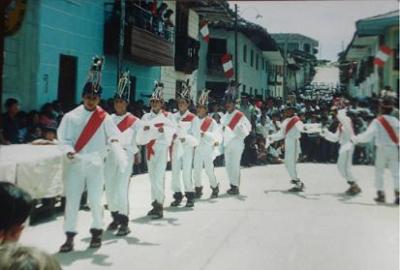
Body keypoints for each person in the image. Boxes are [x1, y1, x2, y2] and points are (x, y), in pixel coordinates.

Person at [57, 57, 125, 252]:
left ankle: (96, 232)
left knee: (95, 199)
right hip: (76, 164)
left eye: (94, 98)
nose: (91, 101)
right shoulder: (71, 116)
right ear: (82, 96)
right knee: (72, 201)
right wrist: (69, 151)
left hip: (96, 165)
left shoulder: (104, 118)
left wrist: (114, 143)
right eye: (88, 97)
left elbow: (115, 136)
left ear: (99, 99)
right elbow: (63, 139)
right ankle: (69, 236)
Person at [104, 71, 141, 236]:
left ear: (126, 103)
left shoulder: (134, 121)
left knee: (121, 188)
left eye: (121, 102)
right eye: (116, 101)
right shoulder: (108, 119)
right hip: (111, 156)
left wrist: (137, 151)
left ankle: (124, 221)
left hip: (125, 156)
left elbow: (141, 137)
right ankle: (115, 216)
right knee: (110, 188)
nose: (119, 104)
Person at [137, 82, 175, 219]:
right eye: (152, 101)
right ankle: (155, 203)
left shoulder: (168, 116)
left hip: (161, 148)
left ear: (162, 103)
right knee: (152, 177)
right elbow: (140, 132)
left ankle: (160, 204)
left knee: (159, 177)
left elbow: (173, 129)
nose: (154, 104)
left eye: (157, 101)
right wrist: (145, 131)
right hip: (149, 149)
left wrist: (163, 129)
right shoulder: (146, 117)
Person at [351, 96, 399, 204]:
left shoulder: (377, 121)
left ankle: (381, 194)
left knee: (379, 172)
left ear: (381, 108)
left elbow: (368, 135)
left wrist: (355, 139)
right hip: (394, 149)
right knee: (396, 172)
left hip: (381, 149)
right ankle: (398, 194)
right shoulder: (396, 121)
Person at [170, 80, 198, 207]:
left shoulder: (193, 118)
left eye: (183, 102)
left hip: (187, 147)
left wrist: (185, 138)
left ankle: (190, 195)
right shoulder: (172, 116)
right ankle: (177, 195)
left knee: (186, 171)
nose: (181, 104)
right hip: (175, 146)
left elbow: (196, 137)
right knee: (175, 172)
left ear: (188, 104)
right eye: (179, 102)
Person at [321, 106, 361, 195]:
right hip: (343, 146)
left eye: (335, 113)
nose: (334, 115)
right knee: (340, 167)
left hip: (348, 145)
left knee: (346, 168)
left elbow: (343, 119)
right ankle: (353, 184)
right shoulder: (341, 124)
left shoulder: (347, 120)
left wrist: (338, 113)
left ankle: (354, 186)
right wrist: (326, 133)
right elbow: (335, 138)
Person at [221, 81, 251, 195]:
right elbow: (221, 129)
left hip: (237, 142)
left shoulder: (239, 115)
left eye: (230, 103)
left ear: (234, 104)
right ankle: (232, 184)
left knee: (235, 164)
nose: (227, 105)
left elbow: (248, 127)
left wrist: (241, 129)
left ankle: (235, 186)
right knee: (228, 165)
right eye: (226, 103)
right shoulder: (224, 117)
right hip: (227, 143)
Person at [268, 105, 306, 192]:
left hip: (294, 142)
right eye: (286, 110)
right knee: (287, 163)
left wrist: (309, 128)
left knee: (291, 163)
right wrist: (272, 137)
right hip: (288, 142)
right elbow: (281, 134)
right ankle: (296, 180)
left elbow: (302, 128)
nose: (288, 111)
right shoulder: (285, 121)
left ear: (293, 111)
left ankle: (297, 183)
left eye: (290, 110)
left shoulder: (296, 120)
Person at [192, 89, 222, 199]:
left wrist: (205, 134)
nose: (199, 109)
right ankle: (198, 189)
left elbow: (216, 135)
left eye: (202, 108)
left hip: (208, 148)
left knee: (209, 170)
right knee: (196, 170)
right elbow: (191, 133)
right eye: (198, 107)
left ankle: (215, 187)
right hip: (197, 148)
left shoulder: (211, 121)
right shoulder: (194, 120)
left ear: (206, 109)